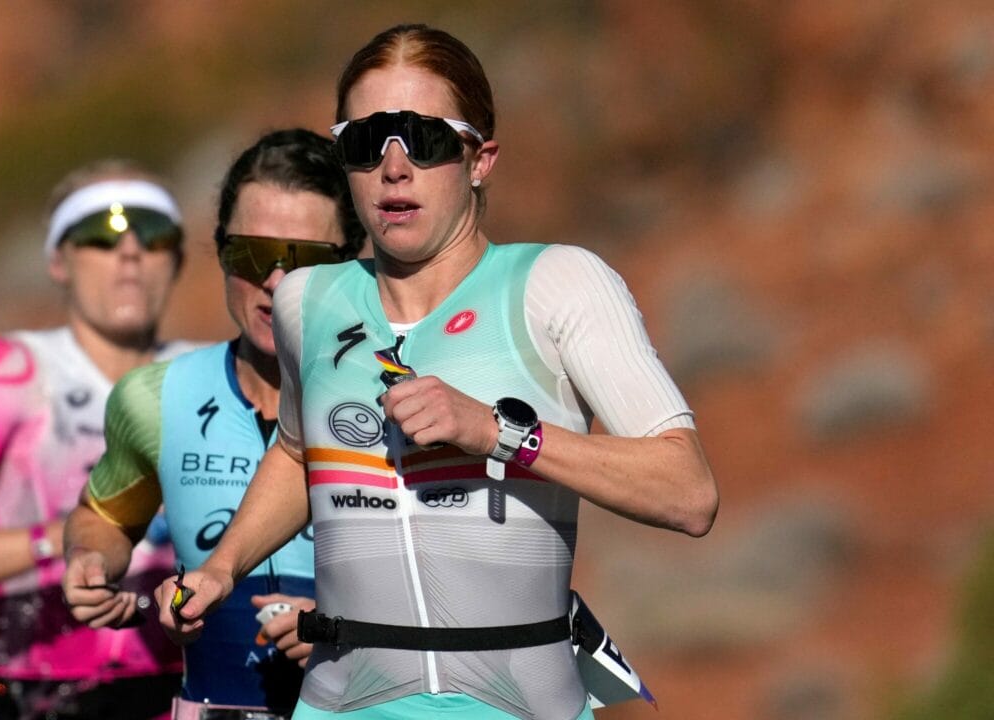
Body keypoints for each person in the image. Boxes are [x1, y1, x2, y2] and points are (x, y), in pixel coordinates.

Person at [156, 24, 719, 720]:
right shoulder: (310, 300)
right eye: (366, 142)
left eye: (422, 138)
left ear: (479, 158)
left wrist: (497, 433)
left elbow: (688, 493)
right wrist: (223, 563)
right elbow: (300, 451)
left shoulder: (558, 284)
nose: (394, 167)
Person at [61, 129, 366, 720]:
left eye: (306, 262)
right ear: (221, 251)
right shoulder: (154, 397)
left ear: (351, 264)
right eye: (252, 255)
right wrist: (89, 560)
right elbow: (102, 518)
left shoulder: (397, 401)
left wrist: (349, 635)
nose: (276, 283)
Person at [0, 160, 193, 720]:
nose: (130, 250)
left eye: (153, 234)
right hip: (39, 698)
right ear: (59, 261)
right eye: (100, 234)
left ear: (177, 259)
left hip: (179, 695)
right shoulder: (8, 370)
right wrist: (77, 536)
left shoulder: (204, 375)